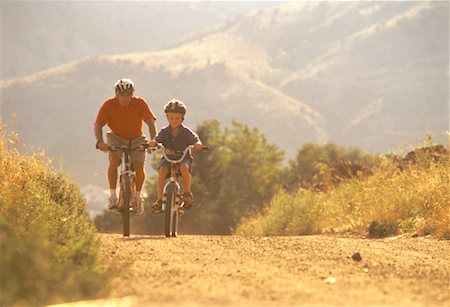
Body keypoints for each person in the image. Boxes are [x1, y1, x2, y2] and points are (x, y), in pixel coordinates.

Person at [94, 78, 157, 215]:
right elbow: (98, 125)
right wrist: (100, 142)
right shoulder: (109, 105)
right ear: (116, 94)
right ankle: (112, 196)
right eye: (122, 94)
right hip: (116, 137)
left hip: (137, 137)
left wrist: (153, 141)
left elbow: (150, 122)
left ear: (132, 94)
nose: (125, 97)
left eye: (128, 94)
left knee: (139, 165)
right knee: (114, 159)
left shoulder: (140, 103)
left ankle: (138, 197)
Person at [148, 99, 203, 213]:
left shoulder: (186, 132)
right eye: (171, 118)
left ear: (182, 118)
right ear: (167, 118)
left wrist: (197, 144)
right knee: (162, 171)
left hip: (183, 158)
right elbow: (157, 139)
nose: (174, 121)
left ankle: (187, 193)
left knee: (184, 168)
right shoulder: (164, 131)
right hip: (168, 158)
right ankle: (159, 199)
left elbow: (195, 138)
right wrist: (153, 143)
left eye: (177, 118)